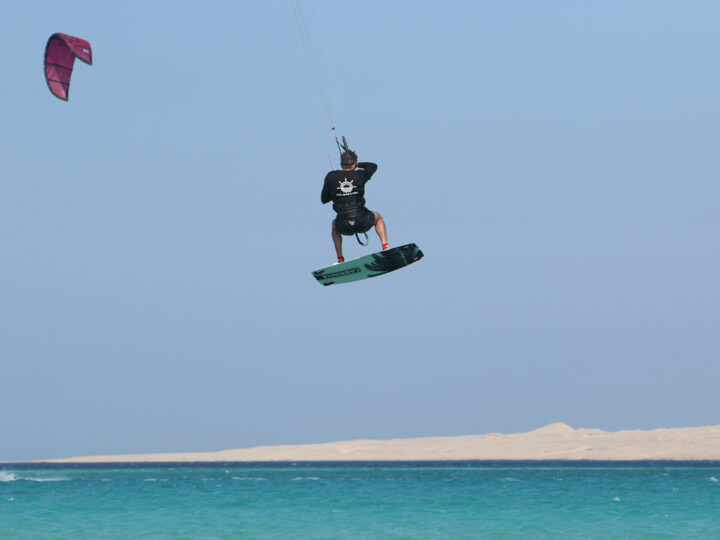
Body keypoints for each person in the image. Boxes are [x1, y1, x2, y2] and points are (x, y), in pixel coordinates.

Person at [321, 150, 388, 263]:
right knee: (378, 217)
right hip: (362, 220)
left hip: (344, 225)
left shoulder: (330, 177)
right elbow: (373, 165)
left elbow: (324, 200)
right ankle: (385, 247)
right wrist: (358, 165)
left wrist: (336, 193)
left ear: (341, 164)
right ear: (354, 164)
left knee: (334, 225)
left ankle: (340, 258)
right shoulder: (360, 175)